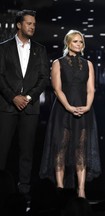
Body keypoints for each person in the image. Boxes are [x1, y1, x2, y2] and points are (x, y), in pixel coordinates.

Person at [39, 30, 101, 198]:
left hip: (83, 111)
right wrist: (67, 106)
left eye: (81, 41)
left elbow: (90, 89)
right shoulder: (58, 63)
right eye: (75, 41)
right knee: (60, 148)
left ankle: (81, 190)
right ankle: (59, 188)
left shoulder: (88, 64)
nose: (79, 44)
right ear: (67, 43)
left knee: (81, 149)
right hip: (62, 111)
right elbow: (56, 89)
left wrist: (87, 106)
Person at [0, 9, 50, 196]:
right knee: (2, 150)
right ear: (19, 25)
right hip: (6, 106)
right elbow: (0, 76)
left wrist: (28, 97)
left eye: (34, 24)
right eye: (29, 23)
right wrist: (13, 97)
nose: (32, 27)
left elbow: (44, 78)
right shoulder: (3, 47)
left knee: (27, 152)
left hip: (30, 107)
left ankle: (24, 191)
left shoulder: (40, 49)